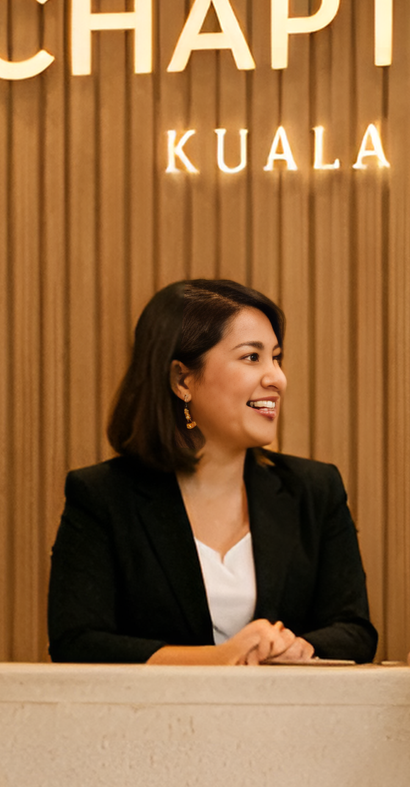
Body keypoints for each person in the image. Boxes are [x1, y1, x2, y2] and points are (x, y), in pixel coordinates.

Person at [48, 278, 377, 665]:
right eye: (252, 357)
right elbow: (78, 642)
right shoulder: (102, 496)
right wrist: (218, 657)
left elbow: (354, 630)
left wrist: (301, 648)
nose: (277, 379)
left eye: (277, 357)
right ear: (181, 379)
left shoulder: (315, 490)